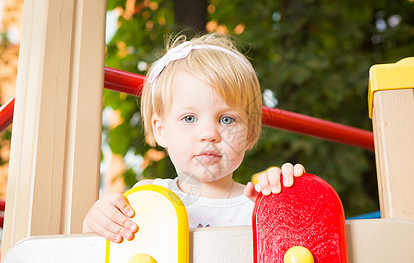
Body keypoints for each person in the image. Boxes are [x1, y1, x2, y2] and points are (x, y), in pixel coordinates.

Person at [83, 33, 305, 243]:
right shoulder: (147, 199)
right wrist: (97, 220)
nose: (209, 134)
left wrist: (289, 205)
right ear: (161, 130)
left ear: (250, 133)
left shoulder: (260, 205)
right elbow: (99, 249)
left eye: (227, 120)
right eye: (189, 118)